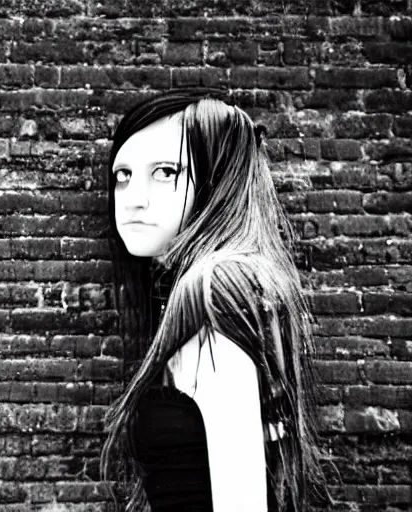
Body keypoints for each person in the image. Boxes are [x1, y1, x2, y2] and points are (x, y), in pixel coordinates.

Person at [100, 88, 324, 512]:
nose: (133, 197)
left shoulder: (214, 293)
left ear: (216, 180)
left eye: (165, 172)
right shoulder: (208, 293)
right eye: (123, 175)